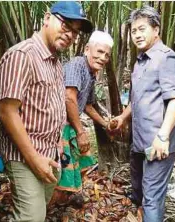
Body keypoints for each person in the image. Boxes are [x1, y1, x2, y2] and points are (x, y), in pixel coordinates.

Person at [0, 2, 93, 221]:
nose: (70, 35)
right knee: (31, 216)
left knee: (41, 206)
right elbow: (6, 112)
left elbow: (52, 105)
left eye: (75, 32)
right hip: (23, 153)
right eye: (66, 25)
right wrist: (34, 158)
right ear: (47, 18)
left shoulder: (56, 63)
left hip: (50, 151)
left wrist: (58, 143)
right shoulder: (22, 55)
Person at [109, 6, 175, 222]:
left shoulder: (166, 59)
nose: (137, 35)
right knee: (139, 191)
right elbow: (138, 99)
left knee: (152, 196)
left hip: (158, 140)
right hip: (140, 139)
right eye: (133, 31)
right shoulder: (141, 60)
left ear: (156, 29)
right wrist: (123, 118)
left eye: (142, 29)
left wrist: (163, 136)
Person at [54, 31, 113, 208]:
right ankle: (48, 207)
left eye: (107, 55)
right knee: (61, 172)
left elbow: (87, 105)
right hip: (58, 126)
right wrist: (81, 132)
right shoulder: (77, 65)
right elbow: (69, 98)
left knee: (80, 165)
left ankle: (63, 202)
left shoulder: (91, 73)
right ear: (87, 49)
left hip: (69, 126)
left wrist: (105, 124)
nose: (103, 58)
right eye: (100, 52)